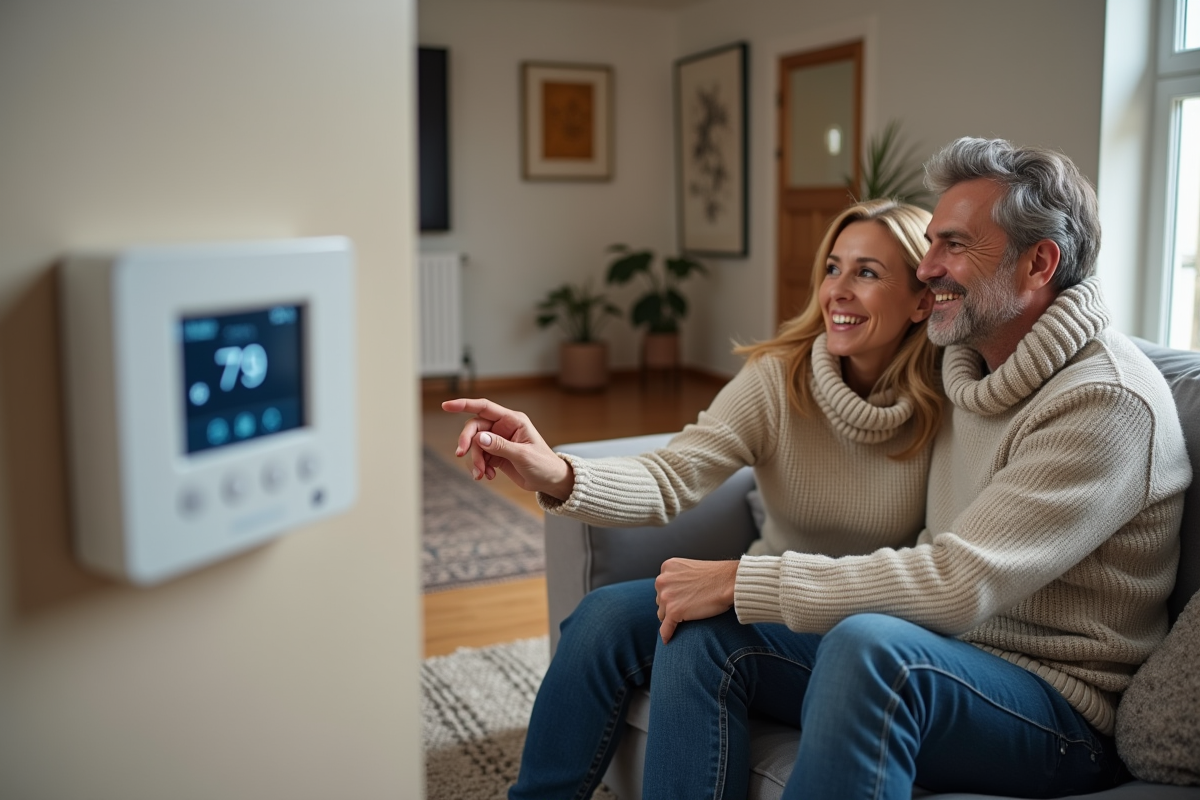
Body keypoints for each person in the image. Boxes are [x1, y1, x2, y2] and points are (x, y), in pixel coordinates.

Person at [503, 137, 1190, 800]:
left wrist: (747, 578)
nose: (929, 267)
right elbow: (680, 468)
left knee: (868, 647)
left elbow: (958, 580)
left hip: (1058, 708)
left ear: (1039, 263)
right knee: (700, 625)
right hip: (947, 650)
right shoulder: (971, 364)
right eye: (930, 245)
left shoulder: (1104, 402)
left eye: (953, 245)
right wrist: (558, 471)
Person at [443, 198, 942, 797]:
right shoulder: (778, 379)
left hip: (864, 634)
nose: (837, 289)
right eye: (833, 268)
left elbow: (943, 569)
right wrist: (557, 472)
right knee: (601, 617)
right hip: (765, 600)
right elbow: (673, 473)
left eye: (867, 272)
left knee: (699, 633)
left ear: (922, 299)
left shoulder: (951, 404)